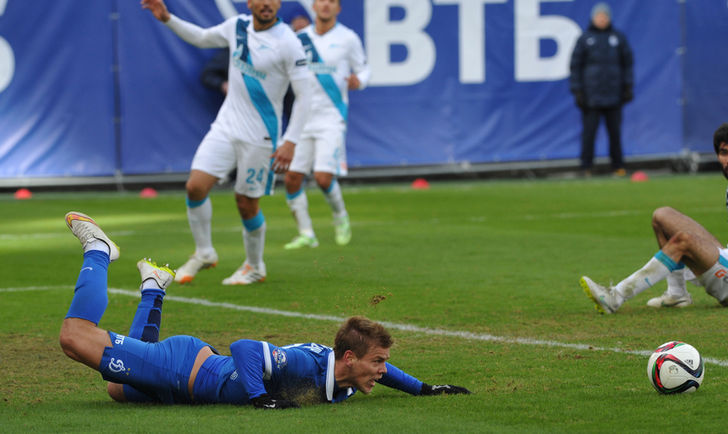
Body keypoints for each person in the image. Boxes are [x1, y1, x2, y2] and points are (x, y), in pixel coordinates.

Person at [58, 212, 471, 407]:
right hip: (183, 368)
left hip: (188, 381)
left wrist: (423, 389)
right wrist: (260, 398)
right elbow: (245, 348)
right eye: (378, 362)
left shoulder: (347, 374)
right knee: (75, 338)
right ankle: (99, 250)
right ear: (349, 357)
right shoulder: (304, 364)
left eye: (382, 363)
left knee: (117, 389)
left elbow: (379, 367)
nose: (382, 370)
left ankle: (153, 288)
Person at [141, 0, 313, 285]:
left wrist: (291, 142)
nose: (267, 4)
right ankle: (204, 252)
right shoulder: (237, 26)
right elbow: (201, 37)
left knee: (246, 203)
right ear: (250, 3)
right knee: (195, 187)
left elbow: (305, 95)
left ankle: (255, 266)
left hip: (261, 136)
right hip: (225, 127)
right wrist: (168, 18)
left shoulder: (289, 43)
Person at [581, 123, 728, 314]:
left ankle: (616, 296)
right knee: (662, 216)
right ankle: (677, 294)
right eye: (724, 153)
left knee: (684, 241)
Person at [282, 0, 370, 249]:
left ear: (338, 8)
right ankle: (306, 233)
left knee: (322, 177)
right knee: (291, 177)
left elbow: (364, 69)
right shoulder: (300, 38)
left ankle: (340, 216)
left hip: (331, 116)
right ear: (314, 6)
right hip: (302, 117)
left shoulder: (347, 38)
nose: (326, 5)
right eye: (321, 1)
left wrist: (359, 80)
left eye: (331, 1)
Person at [569, 2, 633, 176]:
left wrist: (627, 87)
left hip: (614, 95)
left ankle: (618, 167)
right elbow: (575, 66)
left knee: (615, 133)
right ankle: (586, 167)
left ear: (609, 18)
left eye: (605, 16)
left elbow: (627, 64)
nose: (602, 19)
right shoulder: (585, 39)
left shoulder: (618, 38)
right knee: (589, 133)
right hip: (591, 97)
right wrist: (577, 91)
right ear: (593, 18)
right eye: (599, 16)